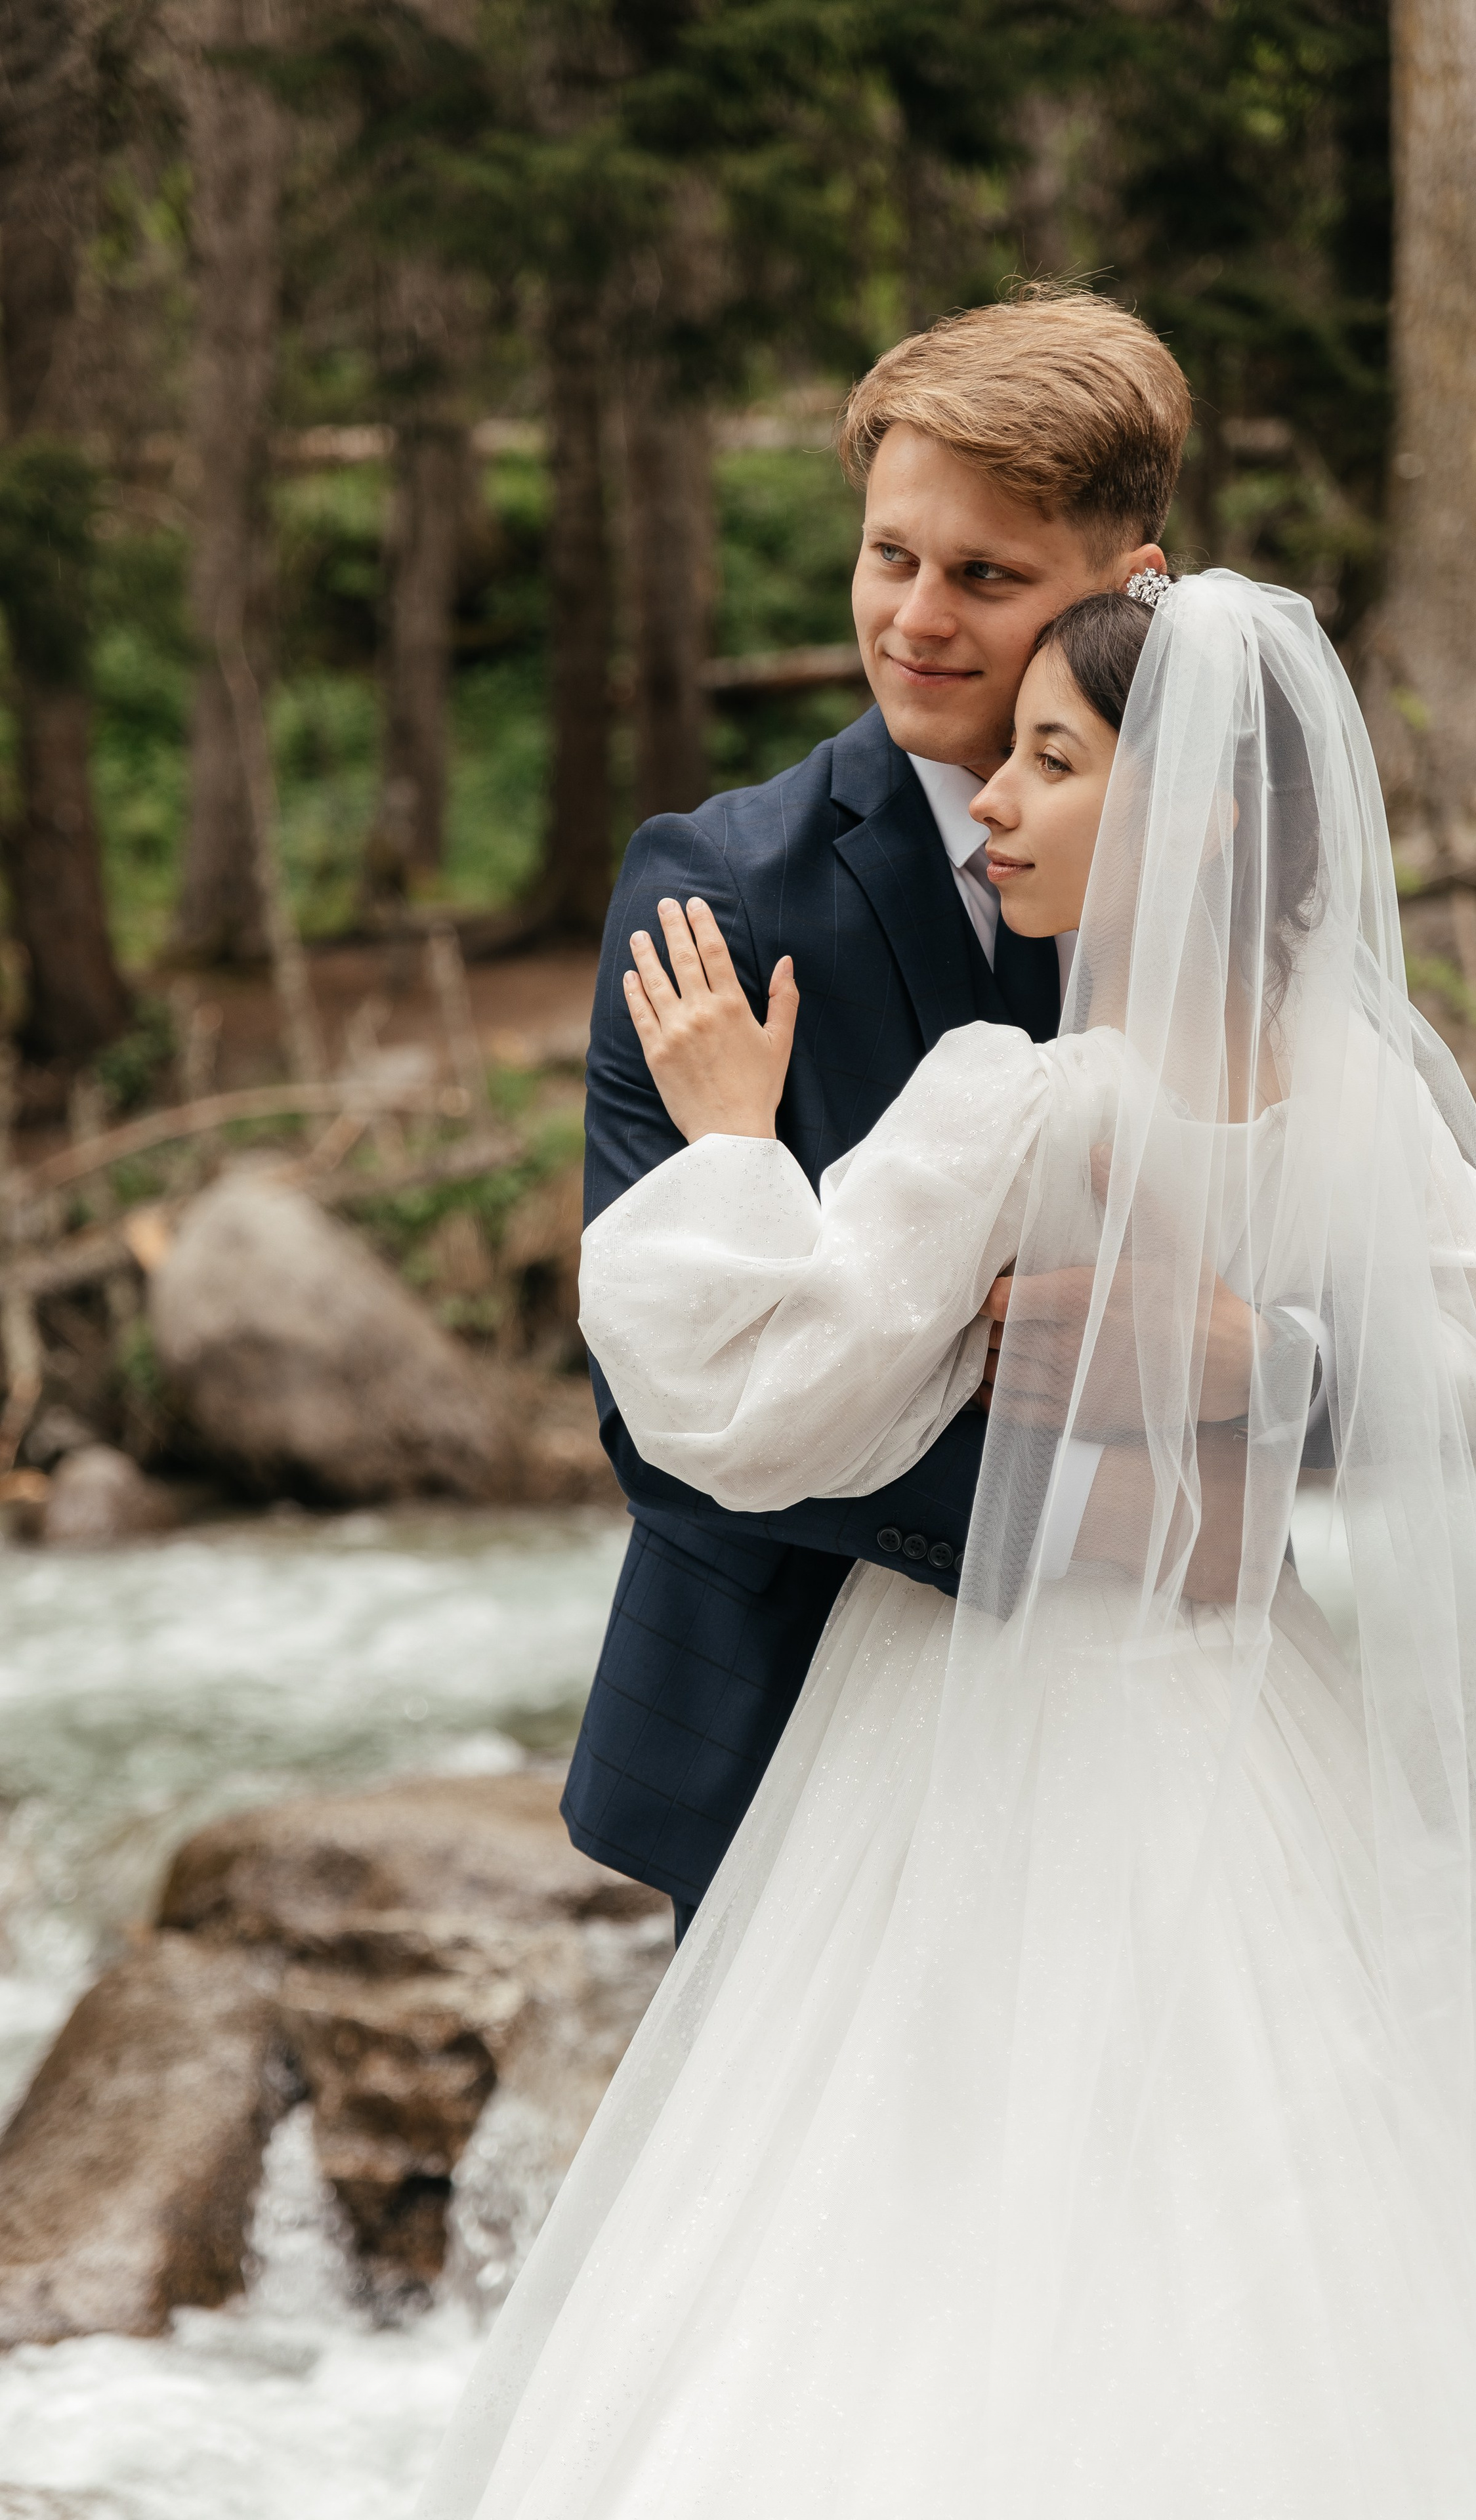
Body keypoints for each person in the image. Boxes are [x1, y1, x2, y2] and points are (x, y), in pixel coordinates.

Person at [420, 572, 1476, 2517]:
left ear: (1188, 824)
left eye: (1052, 761)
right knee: (1288, 2232)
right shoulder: (1355, 1098)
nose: (993, 799)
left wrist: (737, 1148)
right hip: (1261, 1725)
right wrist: (1315, 1360)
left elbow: (745, 1403)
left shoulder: (1027, 1103)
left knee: (901, 2251)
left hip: (969, 1729)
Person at [563, 285, 1252, 1939]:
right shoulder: (717, 893)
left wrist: (1253, 1357)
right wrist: (1102, 1520)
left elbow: (1382, 1253)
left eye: (985, 576)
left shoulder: (1228, 888)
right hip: (799, 1736)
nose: (916, 620)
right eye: (890, 557)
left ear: (1129, 580)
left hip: (1169, 1738)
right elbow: (655, 1391)